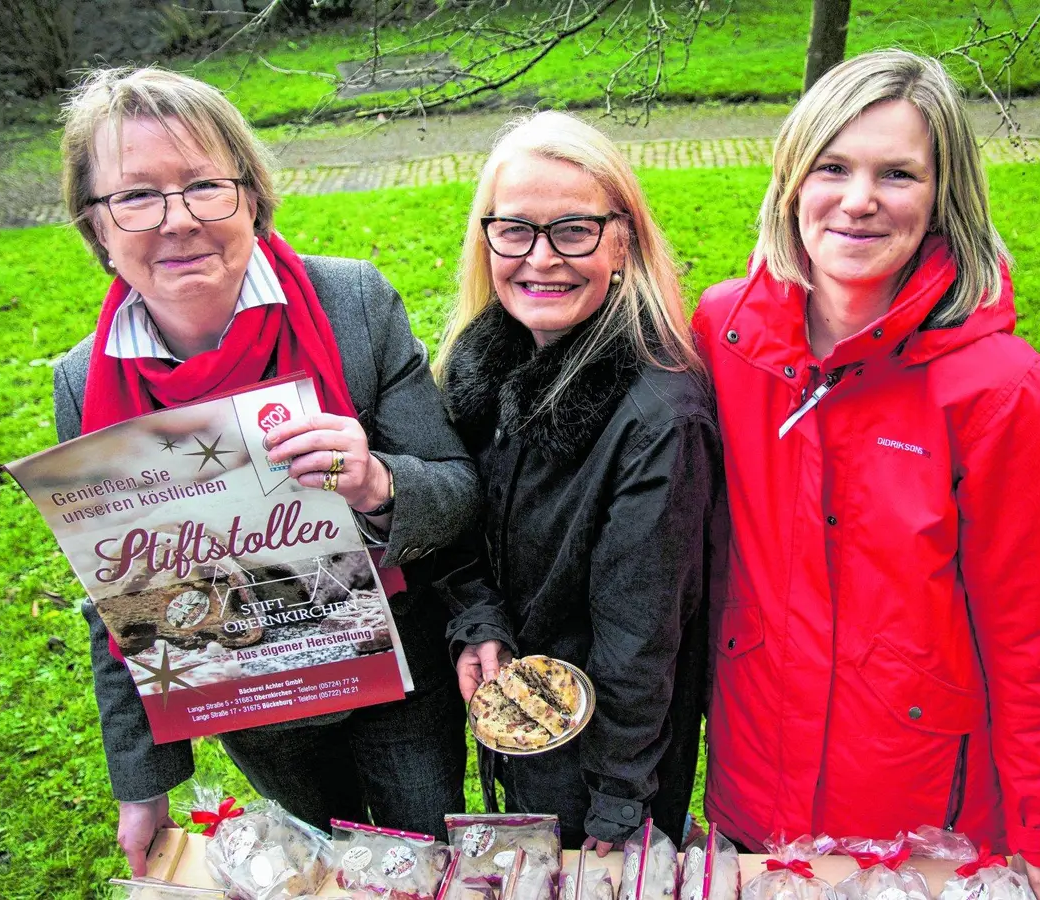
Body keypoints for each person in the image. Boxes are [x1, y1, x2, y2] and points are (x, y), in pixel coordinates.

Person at [50, 67, 476, 874]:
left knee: (425, 869)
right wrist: (143, 786)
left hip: (400, 676)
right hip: (253, 704)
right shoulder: (85, 383)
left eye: (204, 185)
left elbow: (457, 489)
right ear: (96, 226)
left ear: (250, 194)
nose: (178, 220)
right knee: (315, 873)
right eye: (136, 196)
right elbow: (119, 600)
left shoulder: (352, 305)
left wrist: (378, 483)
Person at [692, 50, 1040, 900]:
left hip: (915, 815)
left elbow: (1032, 634)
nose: (859, 199)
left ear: (944, 196)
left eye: (898, 173)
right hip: (753, 783)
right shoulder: (728, 335)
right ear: (792, 181)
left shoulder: (1004, 393)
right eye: (833, 167)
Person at [433, 111, 719, 853]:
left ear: (623, 240)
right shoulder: (483, 368)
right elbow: (460, 526)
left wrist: (620, 804)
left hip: (609, 760)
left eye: (573, 231)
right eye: (515, 230)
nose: (541, 258)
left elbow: (641, 636)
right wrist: (478, 620)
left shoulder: (657, 417)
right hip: (523, 718)